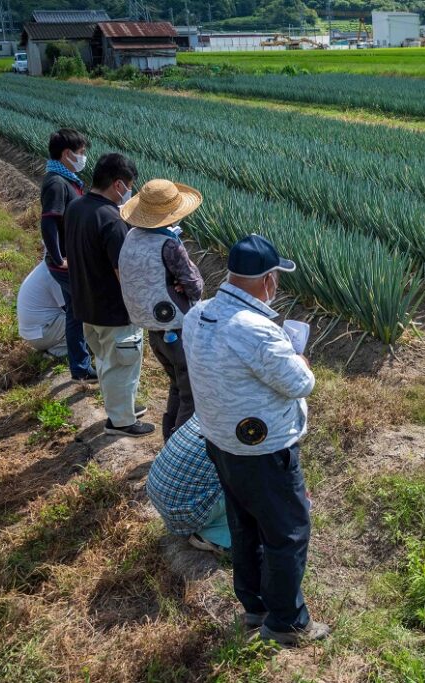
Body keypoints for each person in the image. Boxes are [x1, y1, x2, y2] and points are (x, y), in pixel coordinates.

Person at [183, 234, 329, 646]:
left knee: (244, 522)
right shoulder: (257, 331)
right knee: (288, 532)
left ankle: (254, 605)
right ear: (268, 281)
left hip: (220, 440)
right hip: (264, 452)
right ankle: (287, 621)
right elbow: (301, 383)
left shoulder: (199, 314)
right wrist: (299, 358)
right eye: (276, 278)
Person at [64, 153, 154, 437]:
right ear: (117, 184)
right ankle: (121, 422)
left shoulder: (76, 207)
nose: (130, 191)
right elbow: (123, 274)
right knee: (122, 366)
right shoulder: (112, 220)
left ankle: (121, 407)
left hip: (87, 304)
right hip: (114, 311)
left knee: (105, 361)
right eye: (129, 185)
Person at [119, 179, 204, 441]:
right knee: (191, 393)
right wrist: (182, 283)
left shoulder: (132, 236)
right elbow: (195, 286)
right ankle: (179, 449)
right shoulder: (169, 244)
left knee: (177, 385)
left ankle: (169, 439)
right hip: (178, 330)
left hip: (154, 331)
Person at [41, 128, 96, 382]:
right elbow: (49, 222)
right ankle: (90, 364)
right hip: (66, 263)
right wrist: (58, 257)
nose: (84, 157)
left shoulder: (66, 178)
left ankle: (81, 367)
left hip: (68, 259)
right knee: (88, 307)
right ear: (66, 154)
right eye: (81, 152)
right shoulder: (56, 182)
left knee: (74, 312)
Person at [146, 414, 230, 554]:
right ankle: (217, 536)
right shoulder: (253, 423)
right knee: (261, 477)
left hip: (160, 493)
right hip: (185, 512)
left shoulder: (214, 405)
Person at [16, 261, 67, 357]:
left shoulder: (46, 267)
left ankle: (57, 345)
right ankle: (58, 350)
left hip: (35, 333)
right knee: (81, 323)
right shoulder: (54, 272)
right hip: (41, 334)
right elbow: (69, 307)